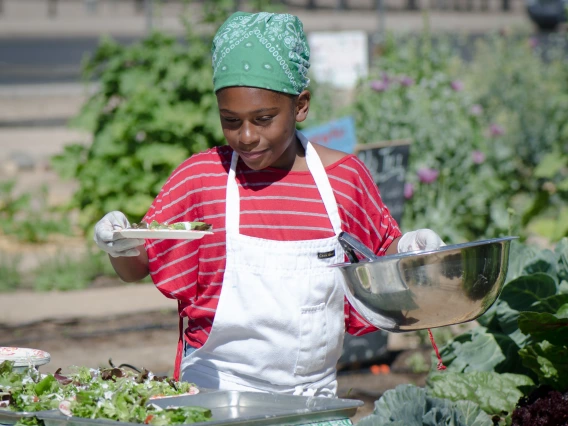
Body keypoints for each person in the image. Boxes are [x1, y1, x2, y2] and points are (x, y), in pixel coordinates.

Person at [93, 11, 445, 398]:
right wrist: (121, 244)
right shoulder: (200, 179)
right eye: (230, 120)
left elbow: (379, 255)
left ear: (301, 107)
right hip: (214, 395)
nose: (246, 137)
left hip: (311, 401)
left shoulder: (343, 179)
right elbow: (136, 266)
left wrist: (411, 252)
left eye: (263, 119)